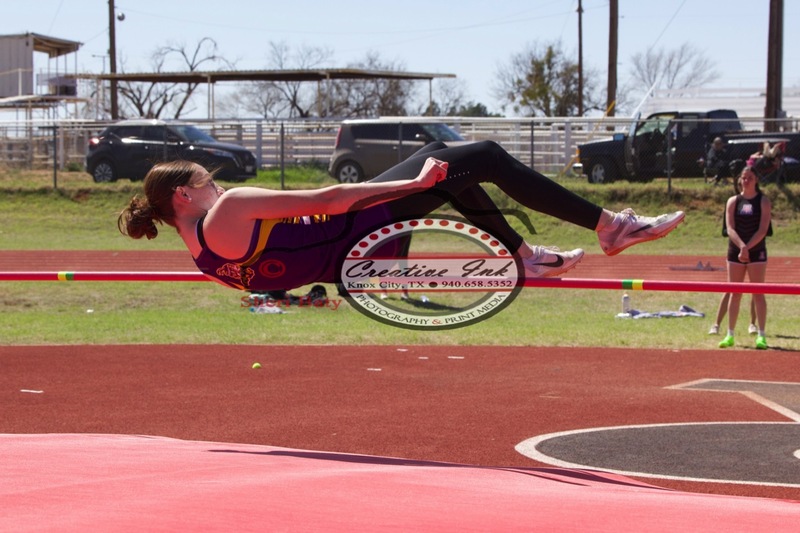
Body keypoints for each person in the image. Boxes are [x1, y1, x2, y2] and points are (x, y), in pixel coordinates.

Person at [118, 141, 684, 297]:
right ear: (184, 196)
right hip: (361, 228)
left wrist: (297, 296)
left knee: (449, 163)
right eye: (207, 180)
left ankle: (523, 257)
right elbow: (330, 197)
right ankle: (608, 225)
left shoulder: (205, 259)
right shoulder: (229, 209)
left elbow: (274, 278)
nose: (216, 185)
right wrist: (410, 186)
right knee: (482, 156)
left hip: (355, 258)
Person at [717, 163, 772, 349]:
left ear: (756, 180)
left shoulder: (763, 201)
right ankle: (730, 334)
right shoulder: (733, 201)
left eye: (750, 178)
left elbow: (763, 229)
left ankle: (761, 335)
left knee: (758, 293)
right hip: (736, 251)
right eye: (743, 178)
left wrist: (748, 247)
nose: (746, 181)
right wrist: (741, 247)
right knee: (735, 293)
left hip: (757, 250)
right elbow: (730, 228)